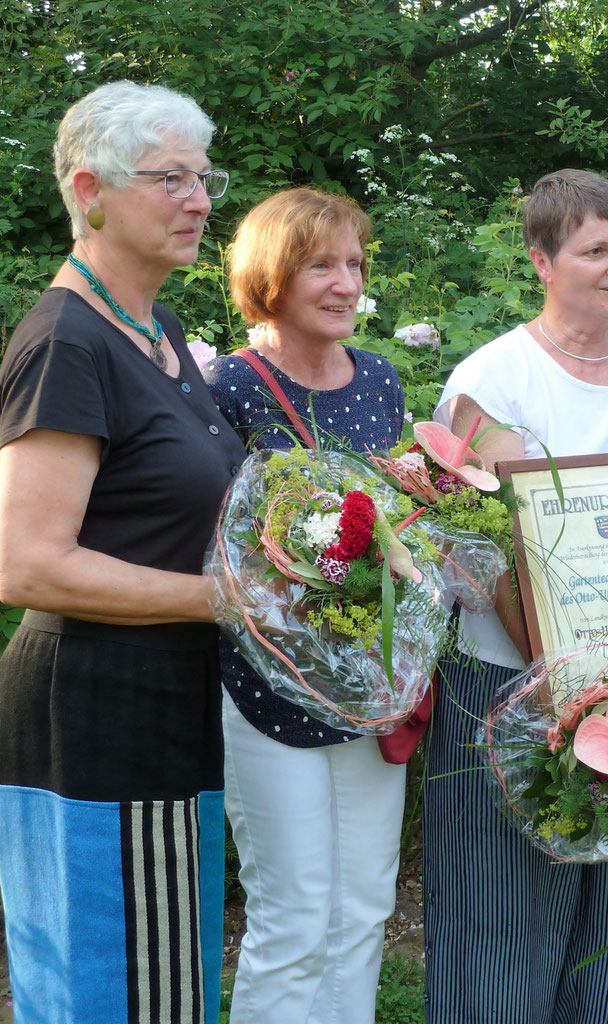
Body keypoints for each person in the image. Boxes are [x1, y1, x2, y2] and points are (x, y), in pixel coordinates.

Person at [422, 168, 608, 1023]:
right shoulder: (493, 380)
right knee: (497, 912)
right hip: (509, 684)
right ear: (542, 261)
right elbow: (486, 548)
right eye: (594, 251)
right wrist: (559, 679)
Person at [0, 81, 241, 1024]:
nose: (201, 200)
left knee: (167, 994)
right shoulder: (67, 341)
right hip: (92, 718)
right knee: (109, 997)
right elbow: (28, 567)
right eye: (170, 177)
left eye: (205, 177)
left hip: (161, 706)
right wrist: (228, 598)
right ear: (89, 189)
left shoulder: (156, 332)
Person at [204, 187, 407, 1024]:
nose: (345, 282)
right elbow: (219, 541)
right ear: (272, 277)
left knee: (362, 908)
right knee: (292, 917)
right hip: (267, 684)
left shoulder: (380, 380)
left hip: (362, 683)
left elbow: (399, 522)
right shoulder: (230, 387)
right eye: (321, 264)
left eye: (354, 264)